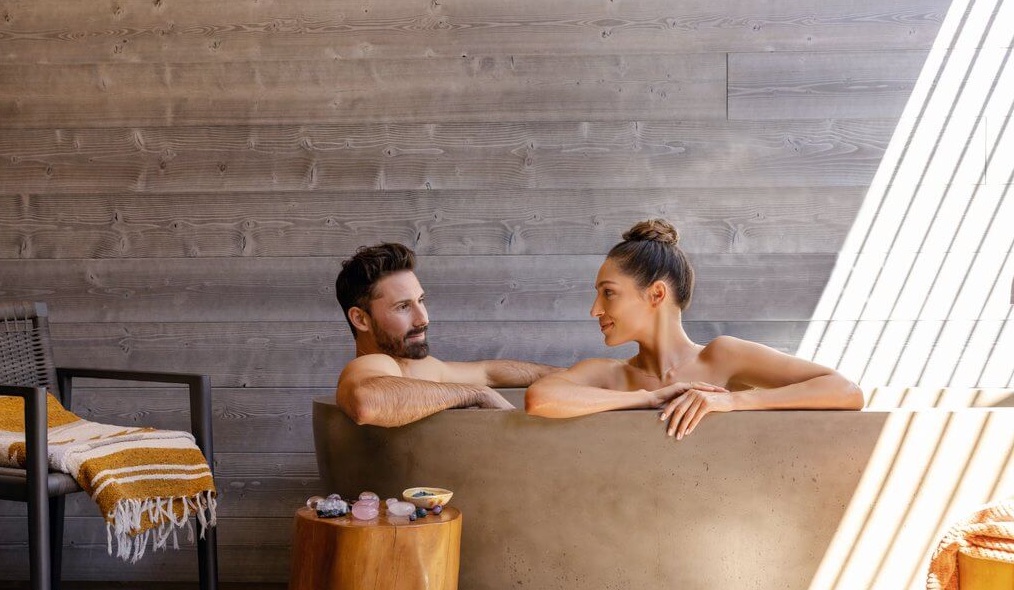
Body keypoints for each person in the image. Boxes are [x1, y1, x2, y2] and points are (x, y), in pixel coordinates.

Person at [525, 219, 863, 437]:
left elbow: (845, 391)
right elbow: (540, 399)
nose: (595, 309)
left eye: (608, 293)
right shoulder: (608, 374)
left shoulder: (723, 357)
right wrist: (648, 398)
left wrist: (733, 402)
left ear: (656, 293)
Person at [335, 243, 562, 427]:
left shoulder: (418, 368)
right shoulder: (367, 366)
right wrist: (477, 394)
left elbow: (488, 372)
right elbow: (367, 402)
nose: (423, 318)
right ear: (360, 319)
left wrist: (566, 375)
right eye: (403, 307)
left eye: (420, 301)